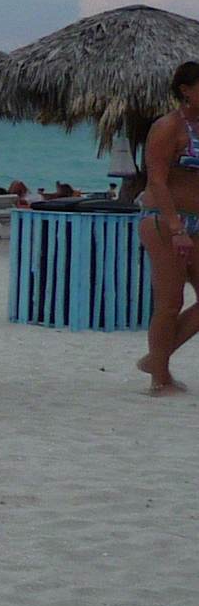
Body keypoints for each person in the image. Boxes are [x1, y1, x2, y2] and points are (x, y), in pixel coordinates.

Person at [137, 63, 199, 394]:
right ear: (185, 90)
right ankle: (159, 379)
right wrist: (176, 227)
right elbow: (157, 180)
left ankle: (157, 358)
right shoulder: (167, 127)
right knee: (170, 301)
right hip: (165, 219)